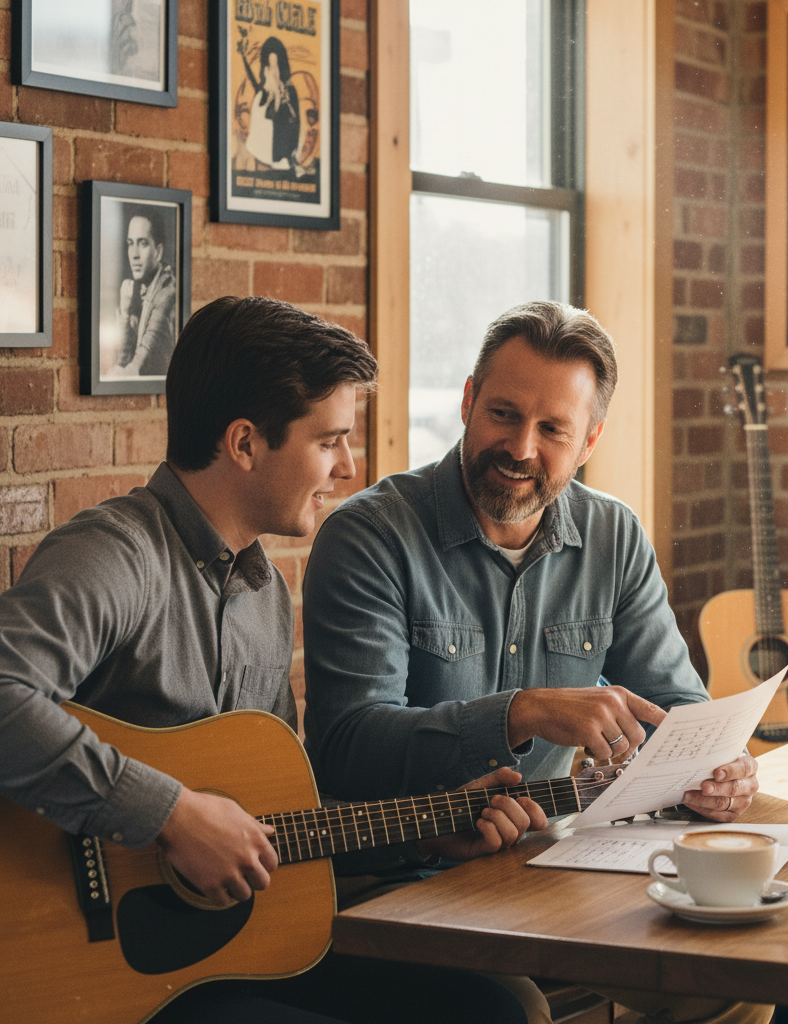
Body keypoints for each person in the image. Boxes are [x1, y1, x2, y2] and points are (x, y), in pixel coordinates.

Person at [0, 295, 541, 1024]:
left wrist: (417, 834)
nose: (349, 468)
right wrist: (171, 815)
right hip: (98, 977)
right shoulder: (113, 555)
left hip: (219, 953)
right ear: (246, 444)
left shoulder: (259, 589)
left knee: (498, 1006)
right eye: (329, 441)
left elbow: (277, 825)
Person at [302, 300, 771, 1024]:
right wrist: (518, 713)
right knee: (512, 1007)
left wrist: (714, 769)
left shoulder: (613, 534)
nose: (520, 446)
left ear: (589, 441)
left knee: (733, 979)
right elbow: (346, 751)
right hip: (398, 875)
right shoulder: (367, 537)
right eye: (503, 413)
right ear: (466, 402)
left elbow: (680, 710)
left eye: (552, 429)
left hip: (553, 862)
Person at [112, 208, 176, 377]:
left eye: (143, 243)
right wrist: (125, 314)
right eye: (130, 244)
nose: (134, 254)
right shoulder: (141, 290)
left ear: (158, 252)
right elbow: (124, 360)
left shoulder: (167, 292)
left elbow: (137, 366)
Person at [239, 34, 301, 172]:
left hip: (283, 158)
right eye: (270, 65)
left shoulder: (290, 91)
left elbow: (293, 125)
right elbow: (266, 118)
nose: (274, 71)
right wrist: (275, 97)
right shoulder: (261, 95)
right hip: (261, 156)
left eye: (276, 65)